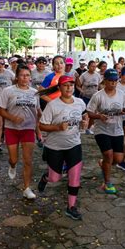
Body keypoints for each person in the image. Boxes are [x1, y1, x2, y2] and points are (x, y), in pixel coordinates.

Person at [37, 75, 88, 220]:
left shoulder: (79, 102)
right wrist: (57, 127)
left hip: (74, 144)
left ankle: (71, 207)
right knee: (55, 178)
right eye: (65, 85)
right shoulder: (53, 105)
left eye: (71, 85)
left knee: (75, 177)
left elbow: (84, 116)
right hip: (55, 147)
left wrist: (85, 122)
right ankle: (46, 177)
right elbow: (41, 125)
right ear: (59, 87)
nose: (69, 88)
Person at [0, 65, 40, 199]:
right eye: (22, 75)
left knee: (28, 160)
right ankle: (12, 166)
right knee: (14, 158)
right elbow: (1, 110)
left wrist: (38, 131)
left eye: (27, 75)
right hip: (12, 129)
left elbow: (37, 113)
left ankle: (26, 188)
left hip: (28, 129)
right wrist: (12, 118)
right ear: (17, 77)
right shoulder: (8, 91)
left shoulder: (35, 93)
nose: (25, 78)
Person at [86, 69, 125, 194]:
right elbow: (89, 112)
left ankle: (104, 163)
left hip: (117, 130)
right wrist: (99, 116)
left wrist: (122, 111)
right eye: (110, 81)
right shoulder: (98, 96)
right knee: (109, 155)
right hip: (101, 130)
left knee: (119, 159)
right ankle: (107, 182)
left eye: (115, 81)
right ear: (105, 81)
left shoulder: (121, 94)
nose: (113, 83)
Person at [76, 60, 101, 135]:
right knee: (83, 112)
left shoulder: (97, 75)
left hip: (94, 97)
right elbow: (78, 85)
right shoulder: (84, 75)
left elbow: (99, 86)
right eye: (92, 66)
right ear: (88, 67)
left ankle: (88, 128)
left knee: (93, 114)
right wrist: (81, 91)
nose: (94, 68)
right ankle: (81, 127)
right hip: (85, 97)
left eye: (95, 66)